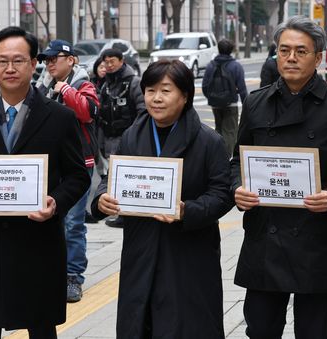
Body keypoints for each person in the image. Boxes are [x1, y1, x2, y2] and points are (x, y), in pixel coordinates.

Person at [231, 16, 327, 339]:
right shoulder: (255, 102)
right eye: (284, 50)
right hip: (265, 236)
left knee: (313, 332)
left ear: (318, 58)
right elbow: (237, 160)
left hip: (316, 238)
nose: (291, 58)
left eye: (301, 51)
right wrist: (238, 188)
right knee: (261, 330)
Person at [0, 26, 90, 339]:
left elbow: (78, 175)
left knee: (41, 329)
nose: (10, 68)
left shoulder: (59, 117)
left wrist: (55, 202)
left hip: (38, 246)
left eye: (19, 60)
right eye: (2, 61)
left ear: (33, 64)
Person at [91, 59, 234, 338]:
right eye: (150, 90)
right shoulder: (133, 135)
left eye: (165, 91)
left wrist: (187, 210)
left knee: (187, 325)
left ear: (185, 95)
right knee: (141, 324)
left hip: (188, 253)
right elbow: (113, 178)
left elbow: (222, 194)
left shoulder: (208, 141)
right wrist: (101, 199)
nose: (156, 98)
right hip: (141, 249)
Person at [36, 39, 100, 303]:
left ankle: (73, 277)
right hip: (49, 166)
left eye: (55, 58)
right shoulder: (42, 87)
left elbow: (88, 112)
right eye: (47, 60)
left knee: (73, 223)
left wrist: (66, 91)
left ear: (71, 59)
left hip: (77, 166)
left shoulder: (83, 85)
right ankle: (52, 272)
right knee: (50, 221)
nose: (49, 63)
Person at [98, 48, 146, 228]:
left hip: (129, 138)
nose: (109, 65)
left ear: (122, 61)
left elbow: (142, 110)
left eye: (112, 61)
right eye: (106, 62)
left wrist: (135, 135)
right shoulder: (105, 85)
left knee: (130, 178)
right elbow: (101, 114)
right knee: (116, 178)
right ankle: (122, 214)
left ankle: (128, 214)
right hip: (111, 137)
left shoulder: (133, 82)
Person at [202, 39, 247, 156]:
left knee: (218, 129)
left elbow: (205, 86)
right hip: (230, 103)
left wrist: (212, 98)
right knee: (230, 131)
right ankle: (226, 157)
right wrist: (246, 105)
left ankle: (217, 155)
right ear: (231, 50)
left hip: (215, 104)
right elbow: (242, 88)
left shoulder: (210, 65)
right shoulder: (236, 66)